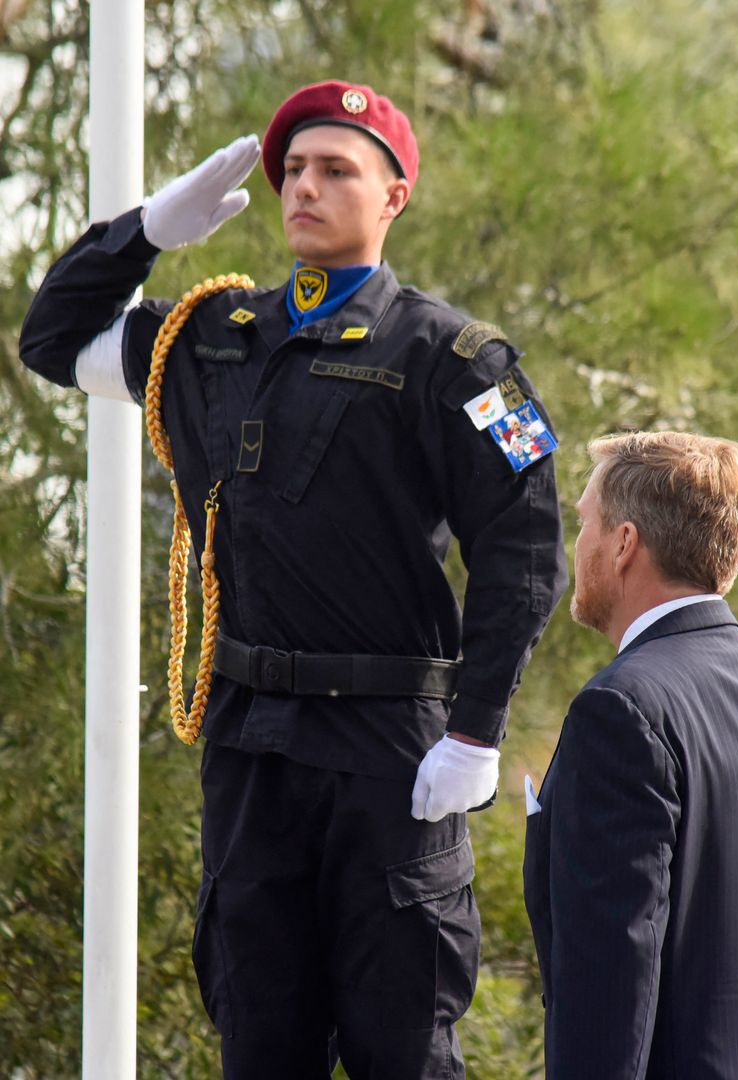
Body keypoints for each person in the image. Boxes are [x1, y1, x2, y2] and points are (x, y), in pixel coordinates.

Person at [20, 81, 567, 1079]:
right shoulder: (209, 337)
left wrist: (476, 729)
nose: (304, 187)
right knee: (260, 1042)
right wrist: (143, 230)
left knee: (401, 1045)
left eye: (337, 169)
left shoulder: (461, 360)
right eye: (294, 170)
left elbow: (527, 548)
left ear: (394, 196)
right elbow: (50, 339)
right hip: (252, 749)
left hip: (389, 757)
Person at [522, 431, 738, 1080]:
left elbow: (611, 977)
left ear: (624, 544)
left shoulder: (621, 709)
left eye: (586, 524)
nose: (580, 544)